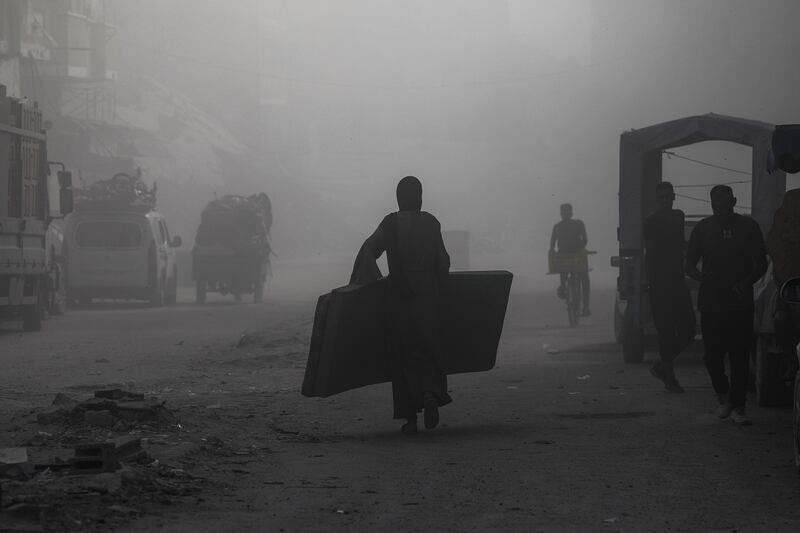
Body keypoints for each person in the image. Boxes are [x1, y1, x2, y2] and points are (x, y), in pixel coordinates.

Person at [350, 176, 452, 434]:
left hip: (399, 294)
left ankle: (411, 418)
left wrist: (373, 282)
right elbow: (442, 261)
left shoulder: (390, 223)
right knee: (430, 345)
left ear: (398, 199)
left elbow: (368, 249)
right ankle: (431, 392)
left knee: (404, 351)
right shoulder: (431, 222)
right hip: (428, 293)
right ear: (420, 198)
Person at [686, 185, 768, 425]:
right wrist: (700, 277)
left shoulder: (749, 227)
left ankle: (739, 407)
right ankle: (723, 396)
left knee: (739, 356)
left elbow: (761, 264)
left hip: (739, 302)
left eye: (723, 202)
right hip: (711, 302)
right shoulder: (703, 228)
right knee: (712, 356)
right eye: (714, 203)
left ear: (734, 201)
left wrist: (745, 283)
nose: (719, 207)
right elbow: (689, 263)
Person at [643, 182, 695, 393]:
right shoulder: (650, 221)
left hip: (677, 280)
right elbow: (650, 252)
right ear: (657, 200)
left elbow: (680, 244)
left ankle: (663, 365)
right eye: (661, 197)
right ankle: (669, 376)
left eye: (668, 196)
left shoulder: (678, 216)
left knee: (689, 331)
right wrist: (649, 282)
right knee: (665, 330)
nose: (665, 200)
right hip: (659, 282)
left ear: (674, 197)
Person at [549, 203, 590, 316]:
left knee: (563, 270)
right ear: (571, 213)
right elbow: (585, 240)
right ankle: (586, 307)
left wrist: (552, 252)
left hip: (563, 258)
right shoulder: (579, 224)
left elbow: (552, 245)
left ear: (561, 214)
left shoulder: (557, 227)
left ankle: (563, 286)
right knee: (585, 279)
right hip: (578, 256)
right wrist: (581, 248)